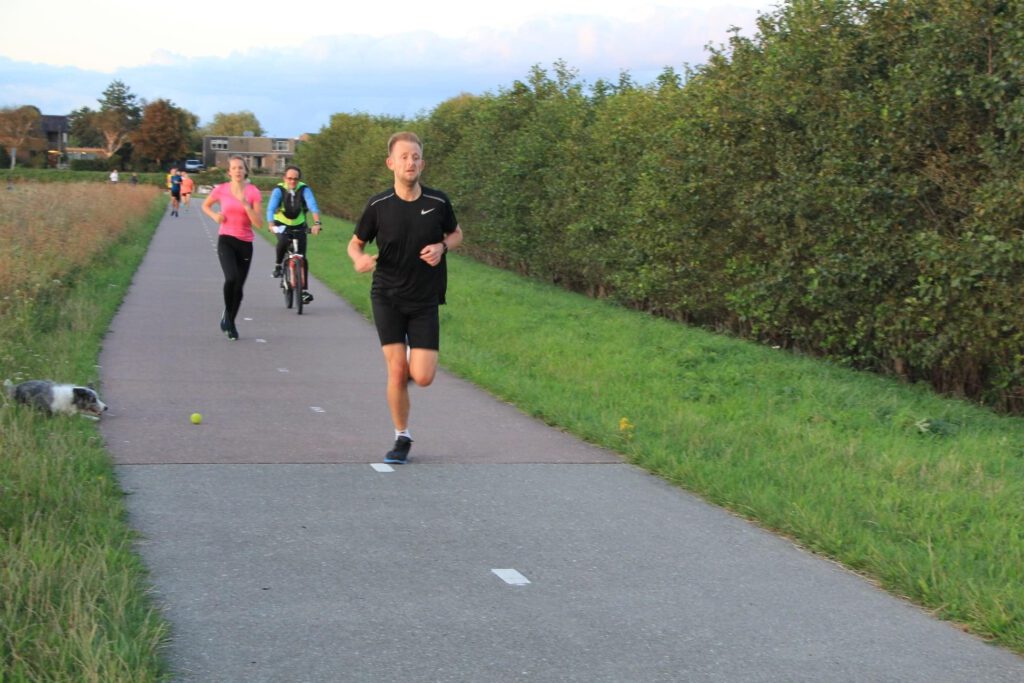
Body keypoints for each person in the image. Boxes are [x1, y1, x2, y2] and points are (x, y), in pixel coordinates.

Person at [347, 131, 463, 464]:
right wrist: (359, 259)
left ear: (422, 163)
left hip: (425, 298)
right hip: (387, 295)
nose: (410, 162)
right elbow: (355, 243)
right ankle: (402, 437)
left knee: (423, 376)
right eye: (403, 157)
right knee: (397, 372)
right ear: (390, 163)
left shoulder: (437, 202)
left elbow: (456, 234)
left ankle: (406, 373)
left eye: (415, 157)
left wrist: (442, 247)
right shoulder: (378, 205)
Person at [202, 156, 263, 340]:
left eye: (240, 168)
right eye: (234, 168)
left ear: (245, 171)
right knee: (231, 278)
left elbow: (259, 224)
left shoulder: (253, 192)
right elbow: (205, 205)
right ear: (229, 172)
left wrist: (246, 205)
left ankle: (230, 320)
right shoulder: (221, 190)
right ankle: (229, 317)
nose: (237, 171)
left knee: (239, 288)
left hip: (245, 243)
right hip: (226, 239)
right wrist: (214, 216)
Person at [266, 165, 322, 305]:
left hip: (299, 224)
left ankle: (302, 291)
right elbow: (271, 208)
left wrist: (317, 223)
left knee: (302, 258)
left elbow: (312, 205)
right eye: (289, 178)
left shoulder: (304, 189)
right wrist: (271, 225)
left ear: (299, 180)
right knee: (283, 241)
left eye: (295, 179)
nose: (292, 181)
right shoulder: (279, 190)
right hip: (281, 224)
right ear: (284, 178)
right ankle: (278, 265)